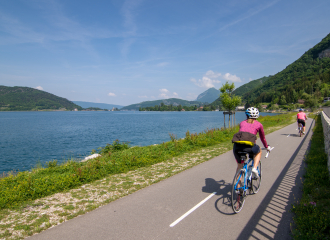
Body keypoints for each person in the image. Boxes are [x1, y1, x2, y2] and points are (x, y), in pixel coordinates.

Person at [232, 107, 271, 182]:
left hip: (237, 147)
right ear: (257, 116)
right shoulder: (259, 125)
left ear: (246, 115)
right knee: (259, 150)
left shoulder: (242, 123)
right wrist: (266, 146)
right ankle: (254, 168)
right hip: (249, 147)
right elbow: (263, 138)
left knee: (239, 167)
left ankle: (238, 189)